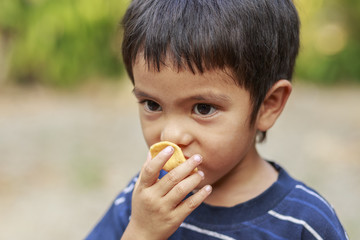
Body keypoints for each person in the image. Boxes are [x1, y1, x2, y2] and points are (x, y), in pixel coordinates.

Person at [86, 0, 348, 239]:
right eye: (152, 104)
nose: (170, 135)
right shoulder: (145, 201)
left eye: (203, 109)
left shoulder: (304, 224)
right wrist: (142, 231)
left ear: (268, 106)